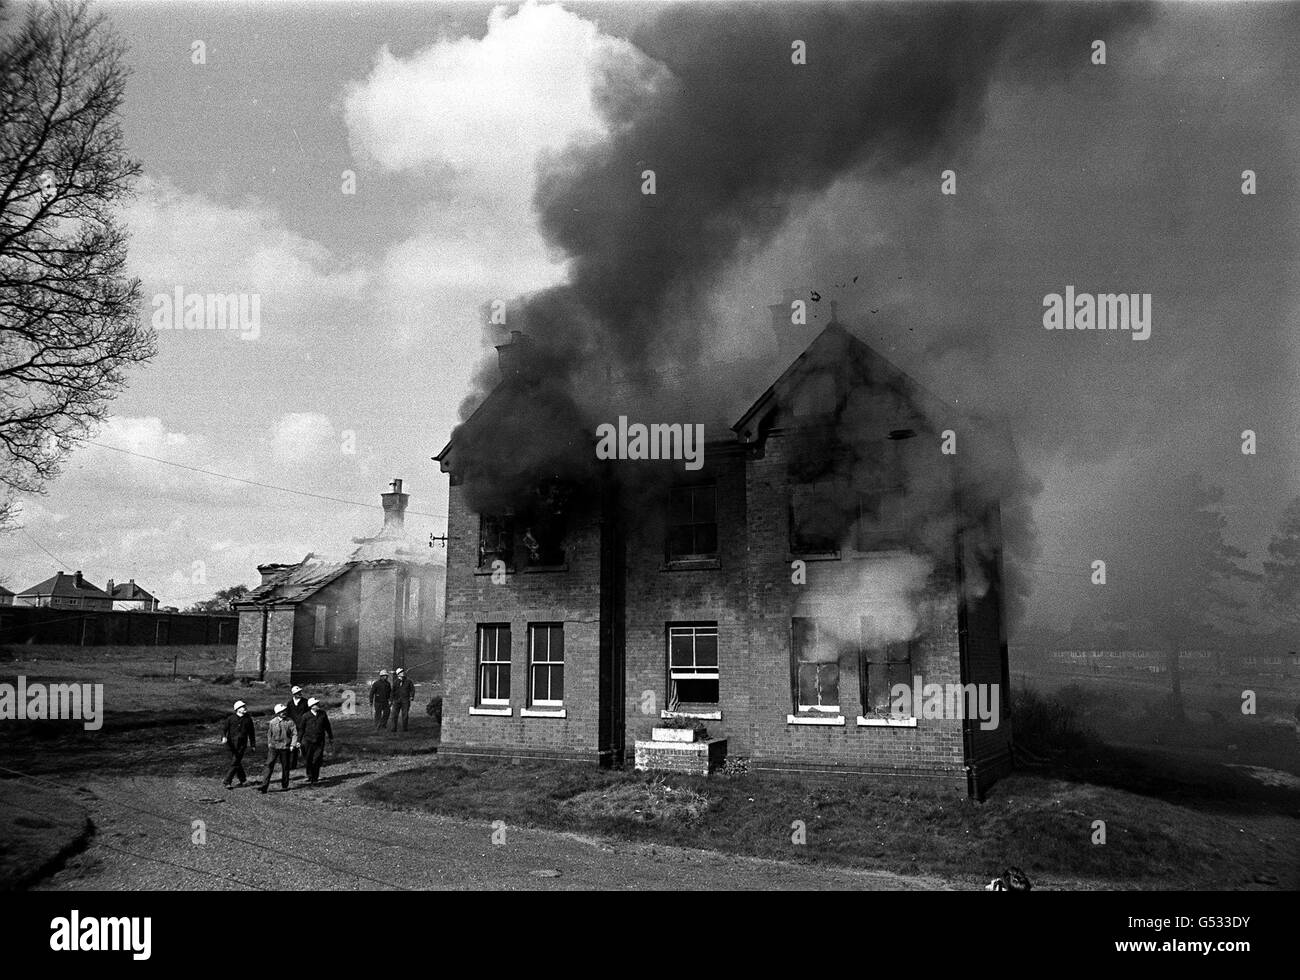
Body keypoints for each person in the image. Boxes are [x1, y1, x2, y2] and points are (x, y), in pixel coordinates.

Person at [258, 703, 299, 794]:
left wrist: (293, 744)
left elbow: (295, 734)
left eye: (284, 711)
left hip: (285, 747)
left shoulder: (290, 722)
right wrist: (269, 743)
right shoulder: (272, 722)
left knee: (285, 766)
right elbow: (269, 733)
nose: (283, 713)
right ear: (277, 713)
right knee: (269, 765)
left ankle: (285, 785)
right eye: (281, 712)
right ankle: (264, 786)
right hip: (274, 747)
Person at [220, 700, 256, 788]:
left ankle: (227, 782)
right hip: (230, 744)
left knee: (235, 762)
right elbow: (224, 729)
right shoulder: (230, 718)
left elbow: (252, 733)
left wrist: (253, 745)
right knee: (236, 762)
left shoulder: (248, 719)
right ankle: (243, 780)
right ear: (238, 709)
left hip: (242, 745)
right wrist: (224, 737)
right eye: (243, 707)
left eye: (245, 706)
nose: (245, 708)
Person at [299, 697, 334, 785]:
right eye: (316, 704)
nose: (318, 705)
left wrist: (330, 736)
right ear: (311, 706)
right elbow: (301, 729)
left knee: (317, 759)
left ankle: (315, 778)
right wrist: (298, 741)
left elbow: (327, 726)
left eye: (318, 704)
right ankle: (309, 775)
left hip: (320, 740)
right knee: (309, 759)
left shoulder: (323, 714)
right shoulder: (305, 716)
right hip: (308, 741)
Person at [287, 685, 310, 770]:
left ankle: (308, 763)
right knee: (293, 746)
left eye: (300, 692)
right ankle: (292, 765)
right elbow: (288, 715)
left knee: (304, 745)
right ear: (293, 694)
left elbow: (308, 714)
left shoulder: (305, 702)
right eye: (297, 693)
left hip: (304, 727)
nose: (299, 693)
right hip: (293, 728)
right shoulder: (290, 703)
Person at [390, 667, 414, 732]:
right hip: (396, 700)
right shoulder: (395, 682)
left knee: (405, 715)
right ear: (398, 674)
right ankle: (393, 728)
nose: (403, 673)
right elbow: (392, 691)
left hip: (405, 700)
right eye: (401, 672)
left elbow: (412, 689)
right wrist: (391, 700)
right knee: (394, 715)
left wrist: (411, 696)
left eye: (403, 672)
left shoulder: (408, 681)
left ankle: (405, 728)